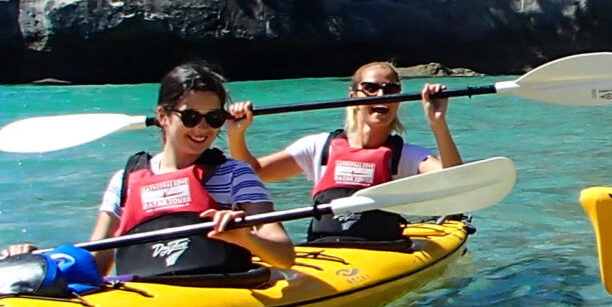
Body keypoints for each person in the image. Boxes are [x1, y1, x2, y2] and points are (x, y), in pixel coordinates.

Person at [90, 62, 297, 279]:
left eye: (214, 118)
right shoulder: (124, 181)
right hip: (145, 297)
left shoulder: (237, 175)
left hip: (218, 293)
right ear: (163, 116)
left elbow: (284, 255)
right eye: (191, 117)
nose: (202, 128)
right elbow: (96, 264)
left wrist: (247, 239)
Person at [226, 59, 458, 244]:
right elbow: (253, 173)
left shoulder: (407, 156)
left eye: (391, 89)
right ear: (354, 96)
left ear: (398, 96)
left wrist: (437, 123)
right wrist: (236, 134)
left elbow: (455, 182)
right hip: (324, 248)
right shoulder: (318, 147)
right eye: (370, 88)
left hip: (382, 250)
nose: (381, 95)